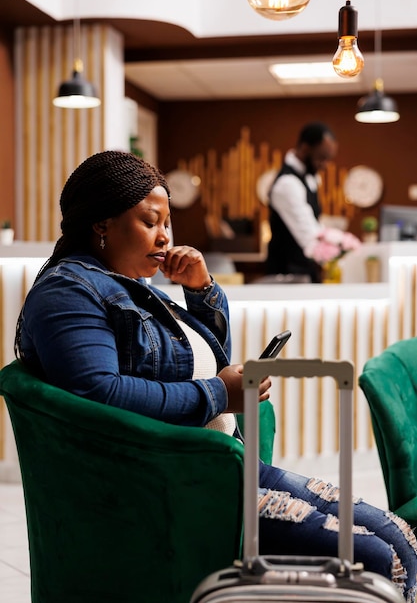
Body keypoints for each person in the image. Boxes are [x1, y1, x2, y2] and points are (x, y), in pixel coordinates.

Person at [15, 150, 417, 602]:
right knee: (381, 558)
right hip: (177, 487)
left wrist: (202, 291)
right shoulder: (70, 292)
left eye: (168, 222)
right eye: (151, 221)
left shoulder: (130, 283)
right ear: (101, 224)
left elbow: (207, 355)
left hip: (225, 466)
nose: (165, 236)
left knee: (399, 533)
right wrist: (218, 395)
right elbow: (99, 392)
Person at [265, 121, 338, 283]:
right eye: (322, 158)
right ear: (305, 149)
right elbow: (308, 236)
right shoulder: (287, 183)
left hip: (303, 272)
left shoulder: (309, 177)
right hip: (286, 276)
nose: (325, 165)